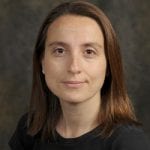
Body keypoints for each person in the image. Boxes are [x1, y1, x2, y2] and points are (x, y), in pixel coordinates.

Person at [9, 1, 150, 150]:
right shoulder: (29, 129)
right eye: (60, 51)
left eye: (89, 52)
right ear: (42, 62)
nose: (74, 67)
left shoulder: (128, 143)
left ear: (109, 65)